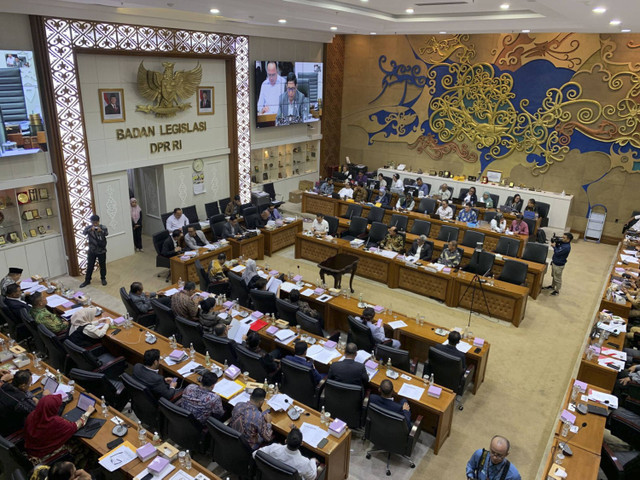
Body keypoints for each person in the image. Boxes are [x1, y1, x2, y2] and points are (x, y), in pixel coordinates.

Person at [24, 394, 95, 460]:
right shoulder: (56, 422)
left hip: (31, 449)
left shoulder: (32, 415)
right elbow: (76, 426)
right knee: (81, 445)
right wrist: (88, 412)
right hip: (44, 455)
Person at [254, 428, 319, 480]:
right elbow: (312, 477)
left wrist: (277, 447)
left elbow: (255, 454)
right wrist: (312, 461)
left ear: (285, 441)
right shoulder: (304, 462)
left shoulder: (274, 448)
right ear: (301, 443)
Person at [0, 369, 37, 436]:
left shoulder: (4, 386)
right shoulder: (20, 401)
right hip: (12, 429)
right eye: (29, 384)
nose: (29, 386)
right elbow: (37, 412)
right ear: (23, 386)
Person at [80, 215, 108, 288]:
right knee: (90, 266)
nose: (95, 224)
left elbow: (106, 233)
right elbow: (84, 233)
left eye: (96, 222)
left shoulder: (103, 227)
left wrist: (100, 231)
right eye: (93, 222)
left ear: (98, 221)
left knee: (102, 265)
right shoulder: (89, 228)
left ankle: (103, 278)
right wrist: (90, 230)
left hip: (101, 250)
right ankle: (87, 280)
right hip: (92, 250)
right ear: (91, 222)